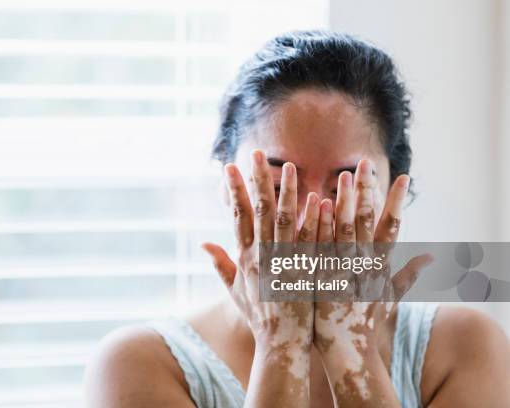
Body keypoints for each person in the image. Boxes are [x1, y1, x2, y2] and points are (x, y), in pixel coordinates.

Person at [84, 30, 510, 407]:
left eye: (347, 188)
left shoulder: (465, 348)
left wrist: (352, 352)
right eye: (276, 187)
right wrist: (279, 347)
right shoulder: (138, 364)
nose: (307, 222)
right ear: (228, 186)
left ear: (395, 194)